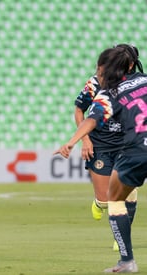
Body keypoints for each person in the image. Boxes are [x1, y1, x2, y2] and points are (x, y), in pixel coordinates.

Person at [55, 46, 147, 273]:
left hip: (134, 150)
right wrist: (84, 141)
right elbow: (81, 111)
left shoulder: (109, 93)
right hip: (111, 146)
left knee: (116, 198)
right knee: (109, 197)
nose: (98, 73)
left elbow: (92, 119)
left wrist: (71, 141)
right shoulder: (144, 80)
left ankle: (127, 260)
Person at [74, 44, 143, 251]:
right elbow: (79, 109)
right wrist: (85, 139)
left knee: (126, 193)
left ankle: (121, 238)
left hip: (127, 145)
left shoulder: (137, 84)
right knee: (105, 200)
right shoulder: (94, 84)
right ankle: (98, 203)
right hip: (101, 145)